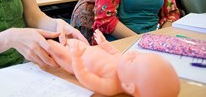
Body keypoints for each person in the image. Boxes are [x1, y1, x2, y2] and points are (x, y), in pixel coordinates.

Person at [47, 29, 180, 97]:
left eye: (133, 60)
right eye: (140, 54)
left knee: (53, 47)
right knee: (66, 37)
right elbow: (114, 52)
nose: (133, 53)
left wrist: (75, 58)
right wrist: (104, 43)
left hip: (75, 61)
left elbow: (85, 78)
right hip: (86, 49)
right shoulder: (124, 64)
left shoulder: (111, 86)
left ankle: (44, 42)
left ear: (128, 86)